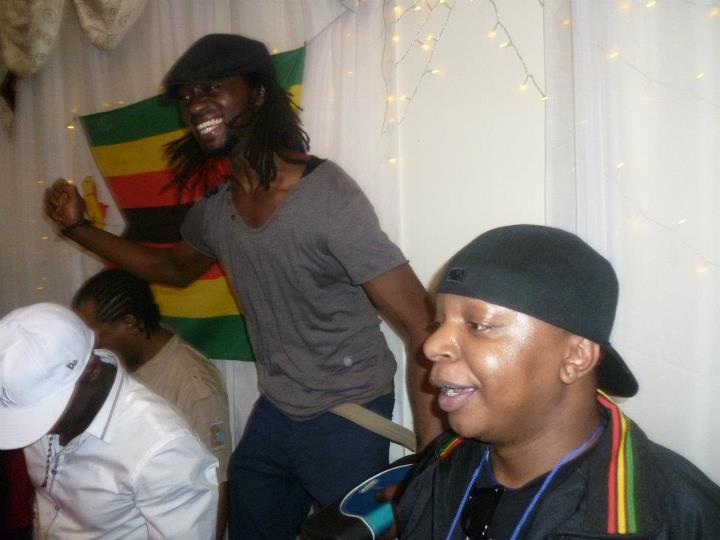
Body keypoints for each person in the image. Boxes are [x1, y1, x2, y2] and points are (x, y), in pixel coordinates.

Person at [43, 33, 443, 539]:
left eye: (214, 87)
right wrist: (79, 230)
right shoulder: (217, 210)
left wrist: (433, 465)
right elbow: (172, 269)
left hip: (348, 411)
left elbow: (420, 324)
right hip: (278, 409)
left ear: (258, 94)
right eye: (188, 95)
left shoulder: (327, 197)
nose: (196, 104)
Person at [395, 225, 720, 539]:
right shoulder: (442, 465)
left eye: (477, 325)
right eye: (438, 324)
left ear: (576, 356)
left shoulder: (680, 520)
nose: (432, 346)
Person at [0, 303, 219, 539]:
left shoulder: (163, 450)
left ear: (91, 370)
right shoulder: (22, 381)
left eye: (47, 412)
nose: (44, 430)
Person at [72, 268, 232, 539]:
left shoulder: (193, 385)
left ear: (130, 324)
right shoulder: (117, 361)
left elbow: (217, 483)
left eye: (97, 335)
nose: (91, 348)